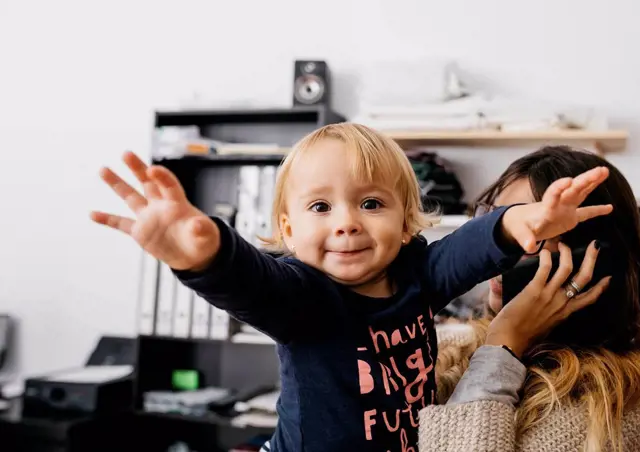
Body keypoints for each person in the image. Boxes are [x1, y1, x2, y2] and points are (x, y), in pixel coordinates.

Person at [91, 125, 612, 452]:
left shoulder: (418, 276)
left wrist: (518, 221)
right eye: (320, 207)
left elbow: (467, 248)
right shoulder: (304, 298)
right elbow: (252, 283)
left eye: (370, 204)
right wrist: (203, 254)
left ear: (406, 222)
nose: (346, 223)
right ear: (289, 232)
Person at [418, 146, 640, 452]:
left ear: (592, 259)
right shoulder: (454, 351)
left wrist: (503, 344)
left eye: (536, 231)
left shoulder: (619, 402)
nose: (500, 255)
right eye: (500, 226)